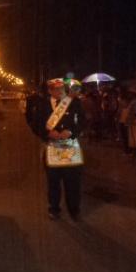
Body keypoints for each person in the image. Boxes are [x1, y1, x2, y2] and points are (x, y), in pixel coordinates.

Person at [29, 78, 86, 221]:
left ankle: (74, 210)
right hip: (52, 146)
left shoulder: (74, 103)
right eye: (56, 89)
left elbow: (83, 122)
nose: (60, 92)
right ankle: (54, 208)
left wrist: (72, 132)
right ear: (49, 91)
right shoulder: (42, 105)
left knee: (72, 181)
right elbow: (35, 124)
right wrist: (47, 133)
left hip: (70, 146)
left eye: (62, 89)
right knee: (53, 181)